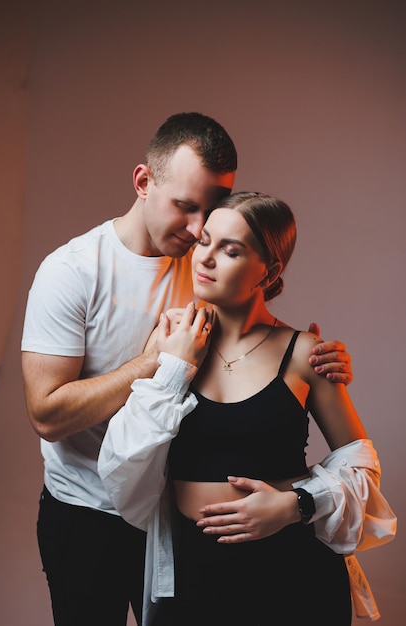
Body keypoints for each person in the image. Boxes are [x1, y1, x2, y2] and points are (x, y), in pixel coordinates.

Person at [21, 114, 354, 626]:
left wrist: (312, 353)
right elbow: (46, 415)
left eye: (212, 208)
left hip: (174, 515)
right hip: (88, 509)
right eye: (185, 207)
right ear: (142, 182)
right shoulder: (72, 272)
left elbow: (250, 319)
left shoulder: (200, 256)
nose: (200, 229)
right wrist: (154, 361)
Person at [98, 192, 396, 626]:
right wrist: (175, 366)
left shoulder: (305, 353)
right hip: (194, 573)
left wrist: (293, 506)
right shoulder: (170, 340)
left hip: (293, 573)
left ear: (269, 271)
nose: (207, 258)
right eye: (205, 242)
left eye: (230, 250)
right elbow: (124, 465)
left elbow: (362, 469)